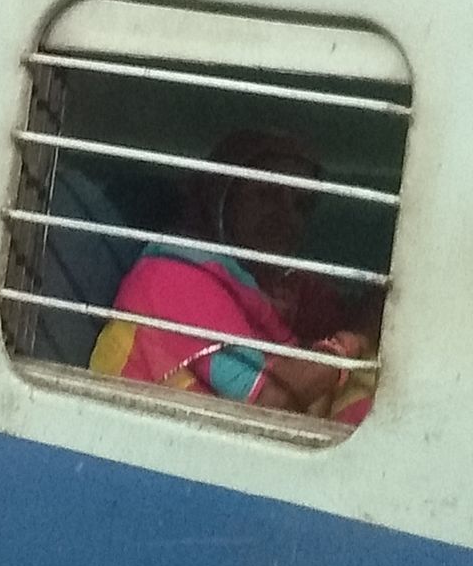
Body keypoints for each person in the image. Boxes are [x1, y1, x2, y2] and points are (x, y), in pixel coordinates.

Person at [89, 129, 378, 421]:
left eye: (300, 205)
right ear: (222, 198)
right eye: (267, 194)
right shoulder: (175, 273)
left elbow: (352, 312)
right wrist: (347, 347)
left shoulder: (268, 286)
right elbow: (272, 400)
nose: (286, 214)